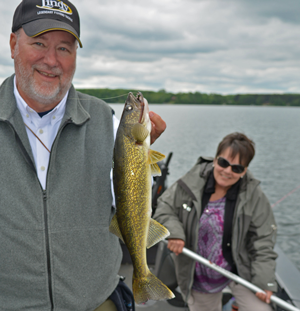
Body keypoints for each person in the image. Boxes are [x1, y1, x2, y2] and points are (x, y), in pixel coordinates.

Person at [0, 0, 166, 310]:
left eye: (65, 48)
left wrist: (145, 166)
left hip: (95, 302)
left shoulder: (108, 121)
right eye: (39, 43)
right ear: (13, 44)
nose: (52, 60)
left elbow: (130, 203)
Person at [153, 132, 277, 311]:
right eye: (223, 163)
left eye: (237, 168)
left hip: (240, 272)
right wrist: (176, 234)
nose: (227, 171)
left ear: (245, 171)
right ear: (215, 159)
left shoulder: (255, 195)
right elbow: (164, 208)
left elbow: (263, 241)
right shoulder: (190, 182)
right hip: (199, 278)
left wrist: (265, 282)